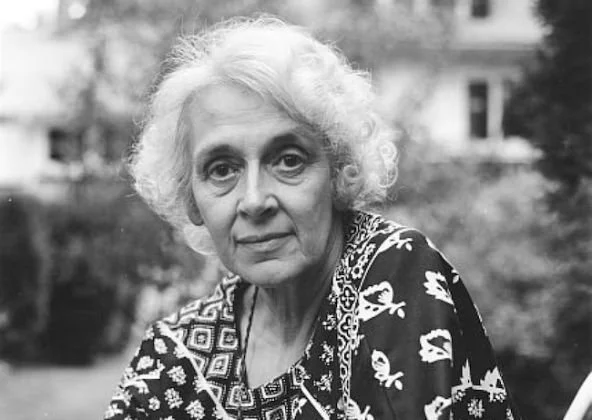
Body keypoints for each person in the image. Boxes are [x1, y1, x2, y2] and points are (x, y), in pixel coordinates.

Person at [105, 16, 519, 420]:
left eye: (288, 160)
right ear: (191, 198)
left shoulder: (394, 275)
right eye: (222, 169)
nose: (254, 201)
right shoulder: (176, 354)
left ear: (339, 170)